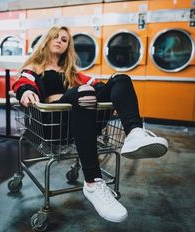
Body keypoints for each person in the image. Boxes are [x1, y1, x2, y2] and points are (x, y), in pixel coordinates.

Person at [13, 25, 168, 223]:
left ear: (68, 46)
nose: (60, 41)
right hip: (53, 126)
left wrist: (108, 89)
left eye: (65, 39)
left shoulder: (72, 73)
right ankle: (92, 181)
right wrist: (25, 91)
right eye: (56, 37)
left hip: (80, 123)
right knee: (83, 91)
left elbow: (97, 85)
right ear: (47, 40)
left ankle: (135, 133)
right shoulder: (35, 68)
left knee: (120, 79)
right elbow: (22, 82)